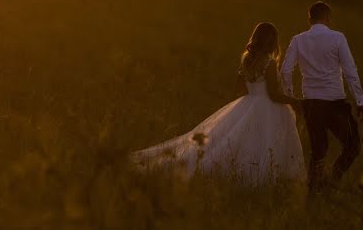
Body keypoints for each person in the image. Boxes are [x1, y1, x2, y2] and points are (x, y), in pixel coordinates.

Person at [131, 22, 306, 185]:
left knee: (240, 139)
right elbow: (273, 94)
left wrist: (242, 104)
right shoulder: (269, 63)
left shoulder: (247, 59)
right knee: (262, 141)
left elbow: (238, 88)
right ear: (272, 41)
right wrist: (294, 101)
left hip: (248, 102)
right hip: (265, 106)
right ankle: (260, 176)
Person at [281, 2, 363, 191]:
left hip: (311, 103)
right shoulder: (338, 38)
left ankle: (313, 193)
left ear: (309, 19)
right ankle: (331, 181)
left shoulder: (298, 40)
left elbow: (286, 71)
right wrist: (360, 101)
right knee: (353, 146)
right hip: (335, 103)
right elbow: (350, 70)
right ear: (328, 19)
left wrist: (292, 98)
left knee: (318, 152)